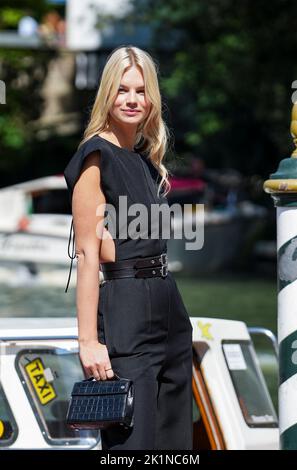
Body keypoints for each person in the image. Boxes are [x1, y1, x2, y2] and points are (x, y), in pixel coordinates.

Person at [63, 45, 193, 450]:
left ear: (151, 97)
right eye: (122, 90)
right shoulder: (95, 158)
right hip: (128, 309)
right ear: (107, 95)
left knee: (175, 444)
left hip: (169, 307)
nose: (132, 99)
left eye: (140, 90)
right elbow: (87, 255)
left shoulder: (145, 159)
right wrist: (89, 342)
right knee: (132, 445)